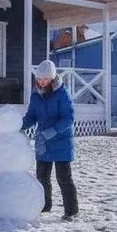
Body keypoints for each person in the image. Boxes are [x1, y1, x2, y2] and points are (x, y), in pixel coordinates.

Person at [21, 60, 78, 221]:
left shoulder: (62, 94)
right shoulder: (35, 95)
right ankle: (44, 206)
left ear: (52, 78)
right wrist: (19, 126)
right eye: (39, 78)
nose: (41, 81)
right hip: (43, 142)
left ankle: (71, 211)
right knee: (42, 177)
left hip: (61, 142)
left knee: (63, 178)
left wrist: (53, 131)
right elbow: (31, 116)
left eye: (45, 79)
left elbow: (68, 118)